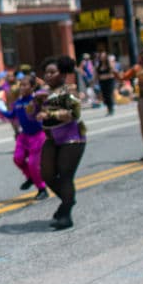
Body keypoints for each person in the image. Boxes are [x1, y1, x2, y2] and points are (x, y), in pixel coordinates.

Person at [29, 55, 86, 230]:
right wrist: (33, 102)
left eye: (52, 72)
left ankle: (66, 213)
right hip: (52, 138)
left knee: (65, 176)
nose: (47, 76)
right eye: (46, 73)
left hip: (72, 139)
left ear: (62, 73)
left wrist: (50, 115)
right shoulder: (44, 93)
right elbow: (31, 113)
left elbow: (74, 114)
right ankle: (68, 200)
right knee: (46, 174)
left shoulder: (69, 91)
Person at [0, 75, 49, 200]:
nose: (22, 87)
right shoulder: (18, 103)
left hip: (38, 136)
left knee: (32, 164)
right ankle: (30, 177)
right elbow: (11, 115)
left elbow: (45, 94)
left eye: (25, 85)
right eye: (21, 85)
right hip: (24, 136)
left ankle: (42, 189)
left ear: (32, 87)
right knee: (17, 159)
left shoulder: (36, 100)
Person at [96, 50, 119, 116]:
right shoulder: (98, 66)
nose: (102, 58)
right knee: (105, 96)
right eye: (101, 56)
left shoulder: (109, 64)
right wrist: (93, 82)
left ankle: (111, 109)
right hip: (102, 82)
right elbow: (96, 75)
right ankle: (109, 109)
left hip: (109, 81)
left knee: (109, 95)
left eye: (103, 56)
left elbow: (114, 71)